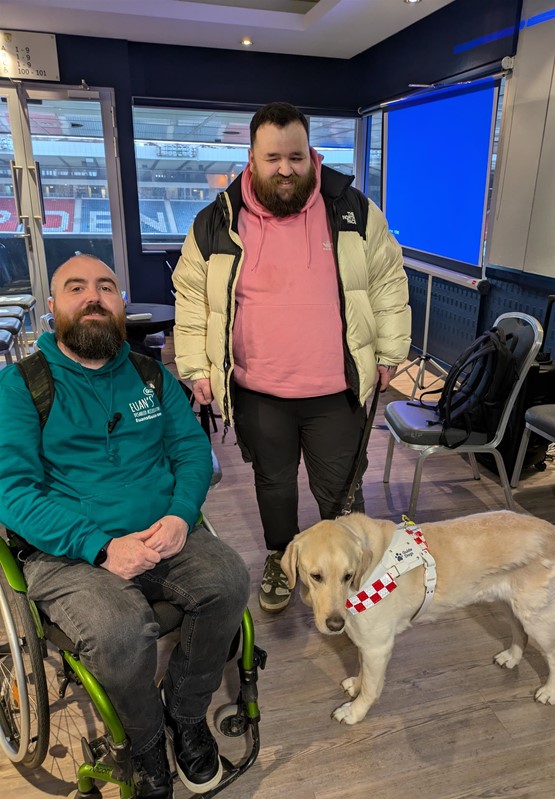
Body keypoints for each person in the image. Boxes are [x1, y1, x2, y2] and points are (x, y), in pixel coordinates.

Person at [0, 255, 250, 798]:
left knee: (229, 580)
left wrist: (182, 516)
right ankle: (143, 740)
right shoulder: (20, 387)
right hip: (69, 550)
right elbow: (11, 491)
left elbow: (191, 451)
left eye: (106, 287)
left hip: (164, 532)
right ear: (51, 308)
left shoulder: (151, 375)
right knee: (119, 629)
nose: (93, 297)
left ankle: (185, 717)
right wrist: (99, 546)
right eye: (76, 287)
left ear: (121, 305)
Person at [173, 101, 411, 614]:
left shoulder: (353, 210)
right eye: (274, 157)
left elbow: (389, 282)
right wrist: (195, 367)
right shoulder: (216, 220)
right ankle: (282, 562)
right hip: (259, 392)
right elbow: (192, 300)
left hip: (337, 391)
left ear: (313, 156)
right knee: (274, 488)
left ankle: (362, 581)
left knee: (343, 495)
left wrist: (392, 351)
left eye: (296, 157)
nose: (286, 169)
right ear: (252, 159)